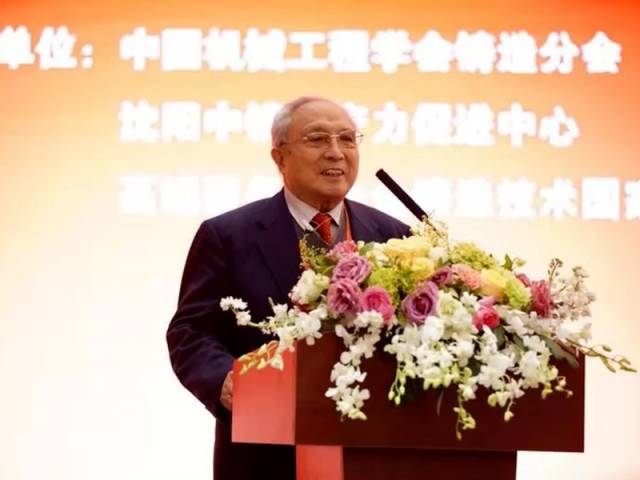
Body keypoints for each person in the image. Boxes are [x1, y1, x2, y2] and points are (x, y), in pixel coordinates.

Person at [167, 96, 410, 480]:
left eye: (347, 139)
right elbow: (190, 332)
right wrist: (224, 379)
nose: (336, 152)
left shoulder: (396, 236)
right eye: (318, 139)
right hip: (265, 456)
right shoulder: (228, 236)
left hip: (374, 453)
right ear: (280, 158)